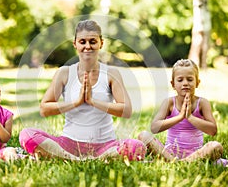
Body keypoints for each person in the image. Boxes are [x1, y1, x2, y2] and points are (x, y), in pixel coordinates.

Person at [19, 20, 146, 161]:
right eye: (82, 42)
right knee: (27, 135)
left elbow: (126, 110)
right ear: (75, 44)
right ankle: (76, 159)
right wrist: (76, 102)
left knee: (137, 147)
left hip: (105, 145)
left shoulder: (111, 73)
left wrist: (93, 101)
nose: (87, 46)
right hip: (68, 143)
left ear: (101, 43)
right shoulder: (64, 73)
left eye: (92, 41)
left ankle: (83, 159)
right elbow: (44, 109)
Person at [138, 59, 228, 166]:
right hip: (169, 153)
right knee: (143, 135)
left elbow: (213, 130)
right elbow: (154, 128)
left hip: (196, 154)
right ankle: (180, 162)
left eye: (190, 79)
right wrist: (180, 117)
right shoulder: (169, 103)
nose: (185, 83)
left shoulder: (202, 103)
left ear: (197, 83)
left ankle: (176, 163)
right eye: (180, 80)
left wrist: (190, 117)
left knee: (216, 147)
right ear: (173, 84)